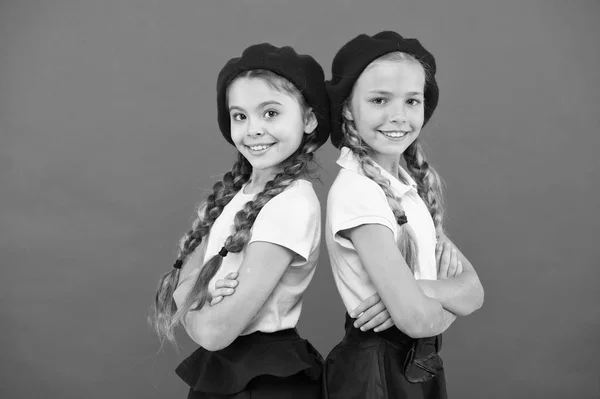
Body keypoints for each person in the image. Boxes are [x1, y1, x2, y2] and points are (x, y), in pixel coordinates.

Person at [151, 43, 330, 398]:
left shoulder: (291, 202)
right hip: (225, 370)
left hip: (264, 379)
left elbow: (215, 331)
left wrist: (190, 298)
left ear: (308, 119)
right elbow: (185, 284)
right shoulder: (231, 196)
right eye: (240, 116)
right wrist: (194, 296)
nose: (253, 130)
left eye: (270, 113)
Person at [322, 31, 485, 399]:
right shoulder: (358, 192)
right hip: (376, 374)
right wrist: (443, 298)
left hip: (415, 366)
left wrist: (419, 291)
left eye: (412, 101)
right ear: (348, 107)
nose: (398, 116)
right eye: (379, 99)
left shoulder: (406, 186)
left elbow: (475, 293)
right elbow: (418, 320)